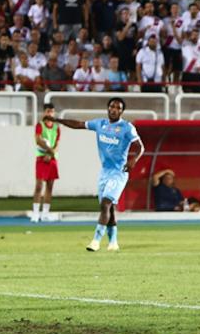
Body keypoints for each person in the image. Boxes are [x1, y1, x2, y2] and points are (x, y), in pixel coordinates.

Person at [54, 97, 144, 252]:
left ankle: (95, 241)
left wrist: (133, 160)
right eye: (112, 106)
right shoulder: (100, 124)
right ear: (108, 108)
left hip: (119, 173)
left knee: (106, 204)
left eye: (118, 107)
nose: (114, 109)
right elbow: (78, 125)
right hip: (104, 173)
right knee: (108, 209)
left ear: (122, 111)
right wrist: (58, 120)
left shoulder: (127, 127)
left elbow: (140, 146)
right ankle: (113, 242)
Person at [32, 103, 61, 222]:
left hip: (52, 158)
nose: (50, 114)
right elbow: (38, 140)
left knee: (50, 186)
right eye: (48, 111)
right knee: (39, 185)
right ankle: (35, 213)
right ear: (44, 112)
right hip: (41, 158)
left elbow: (57, 144)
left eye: (52, 112)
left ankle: (45, 213)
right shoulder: (40, 125)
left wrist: (51, 153)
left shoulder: (56, 127)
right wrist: (49, 151)